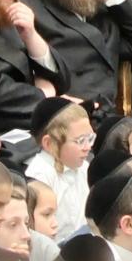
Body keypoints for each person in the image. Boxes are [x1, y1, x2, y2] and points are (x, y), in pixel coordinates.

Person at [25, 98, 91, 235]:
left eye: (90, 138)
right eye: (80, 141)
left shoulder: (84, 168)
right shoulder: (40, 175)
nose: (88, 147)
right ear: (49, 143)